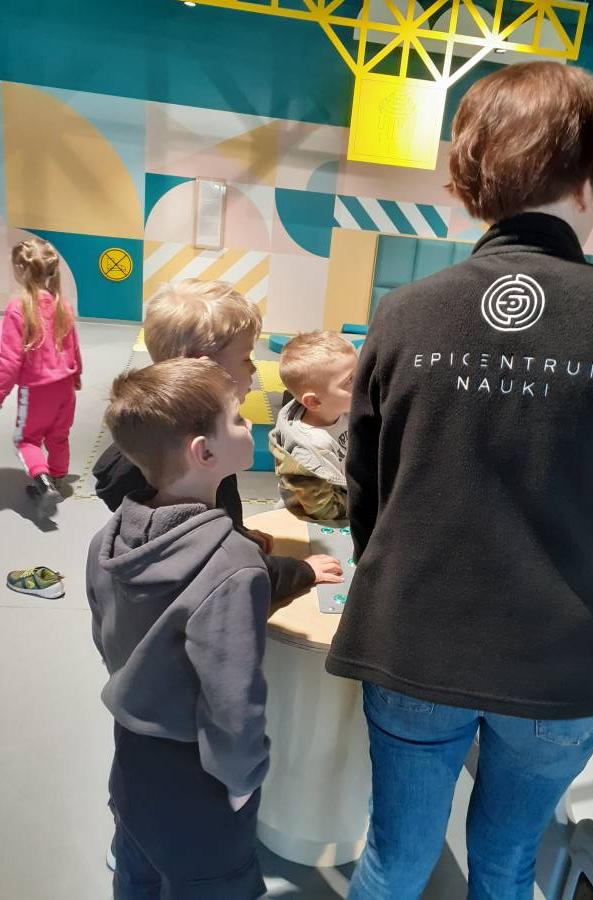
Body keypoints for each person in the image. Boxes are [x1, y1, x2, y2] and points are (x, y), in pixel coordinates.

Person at [326, 61, 593, 900]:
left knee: (393, 861)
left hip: (413, 637)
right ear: (591, 184)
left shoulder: (403, 312)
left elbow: (367, 494)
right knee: (509, 865)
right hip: (564, 661)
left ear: (473, 182)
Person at [87, 358, 276, 898]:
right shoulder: (233, 564)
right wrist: (242, 781)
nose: (249, 425)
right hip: (198, 777)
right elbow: (232, 701)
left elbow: (105, 636)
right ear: (204, 452)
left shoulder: (107, 538)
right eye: (237, 418)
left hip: (131, 757)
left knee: (137, 873)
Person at [93, 280, 342, 604]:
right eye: (246, 358)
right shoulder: (190, 461)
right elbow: (224, 567)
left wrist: (237, 531)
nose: (254, 368)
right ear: (205, 368)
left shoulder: (173, 442)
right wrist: (302, 571)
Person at [0, 238, 82, 518]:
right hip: (65, 388)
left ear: (20, 270)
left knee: (26, 439)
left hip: (36, 391)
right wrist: (76, 376)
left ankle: (44, 484)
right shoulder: (62, 305)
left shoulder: (18, 309)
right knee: (59, 436)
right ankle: (57, 477)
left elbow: (9, 360)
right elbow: (74, 346)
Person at [269, 331, 357, 520]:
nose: (361, 382)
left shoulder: (339, 408)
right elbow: (323, 510)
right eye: (349, 380)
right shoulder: (308, 454)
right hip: (313, 520)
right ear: (314, 401)